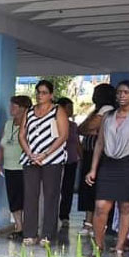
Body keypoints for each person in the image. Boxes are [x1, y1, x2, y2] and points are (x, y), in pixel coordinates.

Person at [85, 81, 129, 257]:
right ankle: (98, 246)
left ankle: (119, 248)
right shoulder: (108, 116)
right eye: (119, 92)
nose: (121, 96)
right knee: (101, 207)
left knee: (125, 206)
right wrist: (93, 169)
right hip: (108, 164)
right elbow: (100, 143)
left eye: (125, 92)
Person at [19, 79, 70, 245]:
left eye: (44, 93)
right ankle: (30, 233)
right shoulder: (29, 111)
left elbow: (63, 135)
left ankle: (47, 234)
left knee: (51, 196)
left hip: (52, 159)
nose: (40, 95)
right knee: (30, 196)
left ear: (51, 95)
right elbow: (22, 135)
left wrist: (45, 154)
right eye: (38, 92)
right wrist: (30, 154)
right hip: (31, 158)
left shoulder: (58, 110)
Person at [77, 84, 116, 236]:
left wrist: (91, 127)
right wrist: (89, 127)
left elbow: (89, 127)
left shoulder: (106, 109)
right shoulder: (96, 110)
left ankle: (95, 224)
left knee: (95, 188)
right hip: (89, 153)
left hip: (99, 155)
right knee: (88, 189)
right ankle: (88, 222)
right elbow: (81, 128)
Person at [0, 95, 32, 239]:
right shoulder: (8, 123)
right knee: (14, 198)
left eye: (14, 107)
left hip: (24, 166)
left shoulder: (29, 124)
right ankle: (19, 227)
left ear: (23, 109)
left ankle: (29, 227)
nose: (11, 109)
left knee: (26, 198)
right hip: (9, 166)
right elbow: (2, 145)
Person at [57, 98, 81, 230]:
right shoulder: (54, 123)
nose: (71, 110)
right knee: (54, 189)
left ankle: (64, 215)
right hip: (57, 160)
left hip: (71, 160)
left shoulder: (73, 125)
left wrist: (81, 157)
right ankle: (52, 214)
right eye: (69, 107)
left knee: (67, 189)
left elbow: (77, 142)